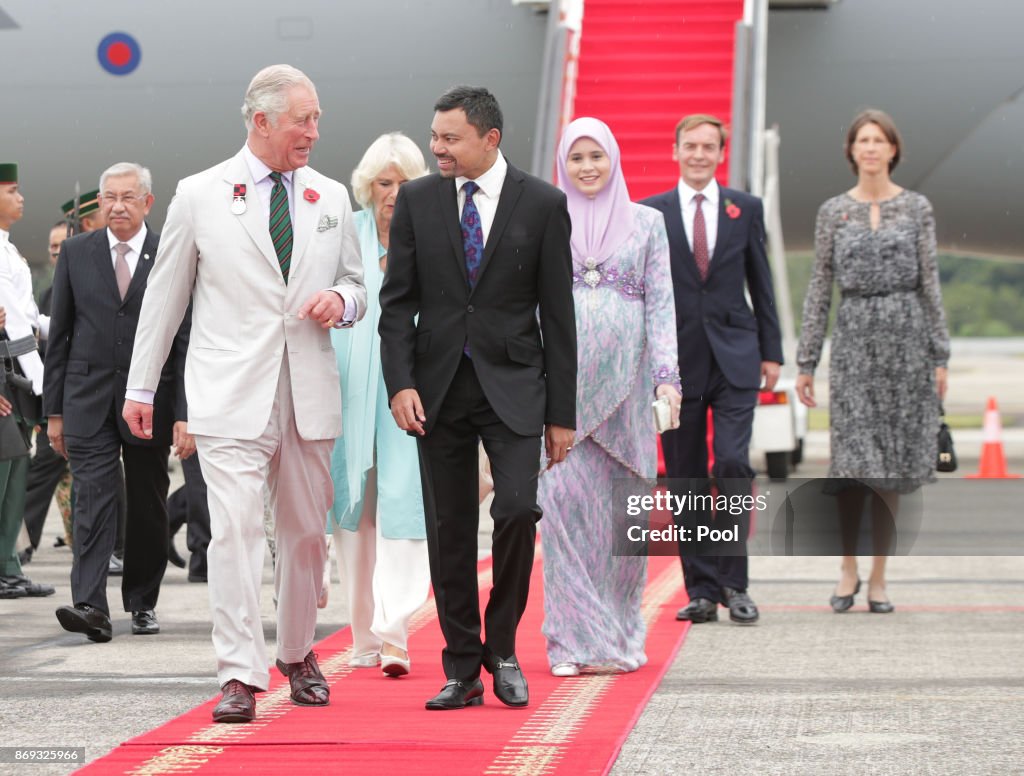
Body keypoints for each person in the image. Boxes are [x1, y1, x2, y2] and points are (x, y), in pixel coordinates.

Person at [123, 64, 365, 724]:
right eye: (302, 120)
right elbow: (163, 301)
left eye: (316, 118)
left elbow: (358, 284)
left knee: (305, 535)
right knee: (230, 534)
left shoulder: (331, 197)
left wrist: (341, 300)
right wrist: (142, 386)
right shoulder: (200, 195)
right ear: (260, 121)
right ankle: (237, 672)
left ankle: (296, 653)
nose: (314, 131)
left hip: (307, 390)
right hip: (229, 394)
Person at [379, 85, 576, 710]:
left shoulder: (542, 204)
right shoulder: (416, 200)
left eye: (449, 138)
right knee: (450, 530)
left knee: (517, 510)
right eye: (434, 136)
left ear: (489, 139)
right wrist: (401, 383)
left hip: (516, 387)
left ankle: (504, 648)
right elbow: (397, 305)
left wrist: (561, 415)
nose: (436, 148)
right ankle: (462, 668)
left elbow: (559, 314)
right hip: (437, 390)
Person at [540, 118, 680, 677]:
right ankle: (570, 643)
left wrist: (667, 379)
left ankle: (620, 636)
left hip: (626, 396)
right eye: (577, 158)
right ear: (563, 166)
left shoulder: (648, 224)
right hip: (562, 398)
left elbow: (662, 306)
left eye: (597, 156)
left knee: (623, 521)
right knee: (562, 519)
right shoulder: (547, 220)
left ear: (614, 159)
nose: (588, 167)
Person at [795, 108, 949, 614]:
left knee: (892, 471)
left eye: (879, 140)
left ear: (893, 150)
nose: (870, 148)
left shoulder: (917, 208)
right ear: (851, 151)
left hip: (906, 343)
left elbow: (930, 283)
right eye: (862, 140)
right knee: (852, 466)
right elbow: (820, 287)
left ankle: (880, 576)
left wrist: (939, 355)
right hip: (856, 342)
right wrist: (807, 359)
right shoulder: (833, 211)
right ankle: (847, 566)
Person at [642, 114, 783, 626]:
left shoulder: (744, 209)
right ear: (675, 150)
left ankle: (734, 583)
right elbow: (646, 291)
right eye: (690, 146)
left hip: (735, 357)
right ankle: (700, 588)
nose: (699, 154)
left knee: (731, 464)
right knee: (684, 474)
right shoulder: (650, 213)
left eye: (709, 147)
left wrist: (773, 352)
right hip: (675, 362)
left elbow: (761, 284)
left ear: (721, 153)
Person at [46, 162, 191, 642]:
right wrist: (54, 412)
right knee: (93, 499)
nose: (117, 206)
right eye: (109, 197)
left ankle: (142, 602)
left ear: (148, 202)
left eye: (128, 197)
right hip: (86, 399)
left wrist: (186, 414)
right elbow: (60, 335)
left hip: (151, 399)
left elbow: (184, 336)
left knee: (148, 503)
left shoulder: (169, 252)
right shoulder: (76, 252)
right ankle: (90, 605)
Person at [328, 132, 431, 677]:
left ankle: (395, 635)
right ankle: (364, 635)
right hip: (348, 391)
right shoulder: (347, 234)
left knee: (404, 507)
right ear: (368, 187)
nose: (393, 193)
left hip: (409, 393)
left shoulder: (433, 238)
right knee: (354, 516)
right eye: (384, 183)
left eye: (404, 183)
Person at [0, 162, 54, 600]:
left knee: (16, 476)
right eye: (12, 190)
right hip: (5, 376)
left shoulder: (9, 250)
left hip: (18, 374)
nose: (21, 199)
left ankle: (8, 566)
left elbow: (29, 320)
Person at [21, 221, 75, 558]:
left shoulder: (87, 285)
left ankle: (114, 546)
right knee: (43, 473)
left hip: (86, 396)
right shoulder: (50, 294)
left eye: (60, 245)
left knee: (103, 478)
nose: (55, 252)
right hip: (57, 400)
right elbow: (47, 354)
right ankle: (22, 546)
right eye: (52, 247)